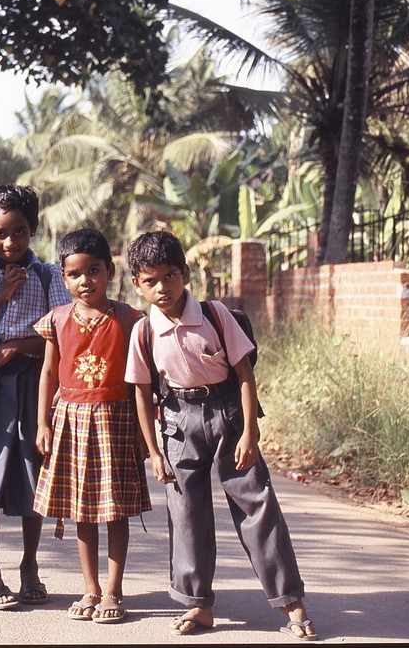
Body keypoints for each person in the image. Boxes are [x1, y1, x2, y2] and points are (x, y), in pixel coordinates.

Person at [124, 230, 320, 641]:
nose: (163, 287)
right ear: (137, 285)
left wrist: (251, 431)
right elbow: (142, 393)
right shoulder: (143, 332)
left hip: (227, 413)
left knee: (257, 504)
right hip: (178, 422)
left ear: (186, 273)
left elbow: (245, 376)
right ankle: (198, 604)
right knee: (186, 512)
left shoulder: (215, 315)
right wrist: (154, 451)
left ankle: (291, 601)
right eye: (151, 280)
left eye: (171, 276)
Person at [0, 184, 72, 611]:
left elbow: (62, 339)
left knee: (31, 471)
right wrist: (0, 297)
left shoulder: (48, 276)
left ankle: (30, 567)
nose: (11, 242)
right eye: (2, 233)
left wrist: (18, 347)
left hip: (33, 382)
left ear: (33, 230)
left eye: (21, 232)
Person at [32, 228, 151, 624]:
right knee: (82, 508)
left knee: (115, 509)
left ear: (110, 271)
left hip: (117, 417)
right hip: (71, 419)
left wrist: (141, 430)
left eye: (94, 271)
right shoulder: (57, 319)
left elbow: (141, 378)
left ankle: (114, 590)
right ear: (63, 278)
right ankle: (91, 587)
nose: (86, 281)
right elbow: (48, 372)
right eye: (76, 274)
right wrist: (42, 422)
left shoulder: (132, 319)